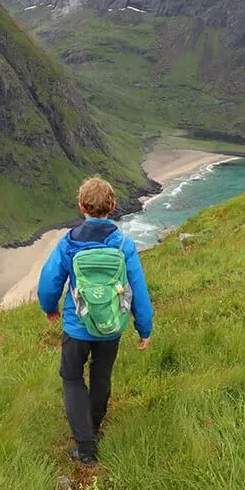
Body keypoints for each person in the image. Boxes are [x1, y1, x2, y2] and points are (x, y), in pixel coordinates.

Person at [37, 177, 153, 466]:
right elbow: (137, 288)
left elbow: (49, 282)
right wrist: (144, 327)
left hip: (77, 326)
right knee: (101, 377)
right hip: (110, 327)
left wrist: (50, 307)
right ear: (112, 206)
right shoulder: (124, 244)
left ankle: (85, 447)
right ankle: (93, 429)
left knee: (73, 379)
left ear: (81, 206)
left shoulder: (69, 242)